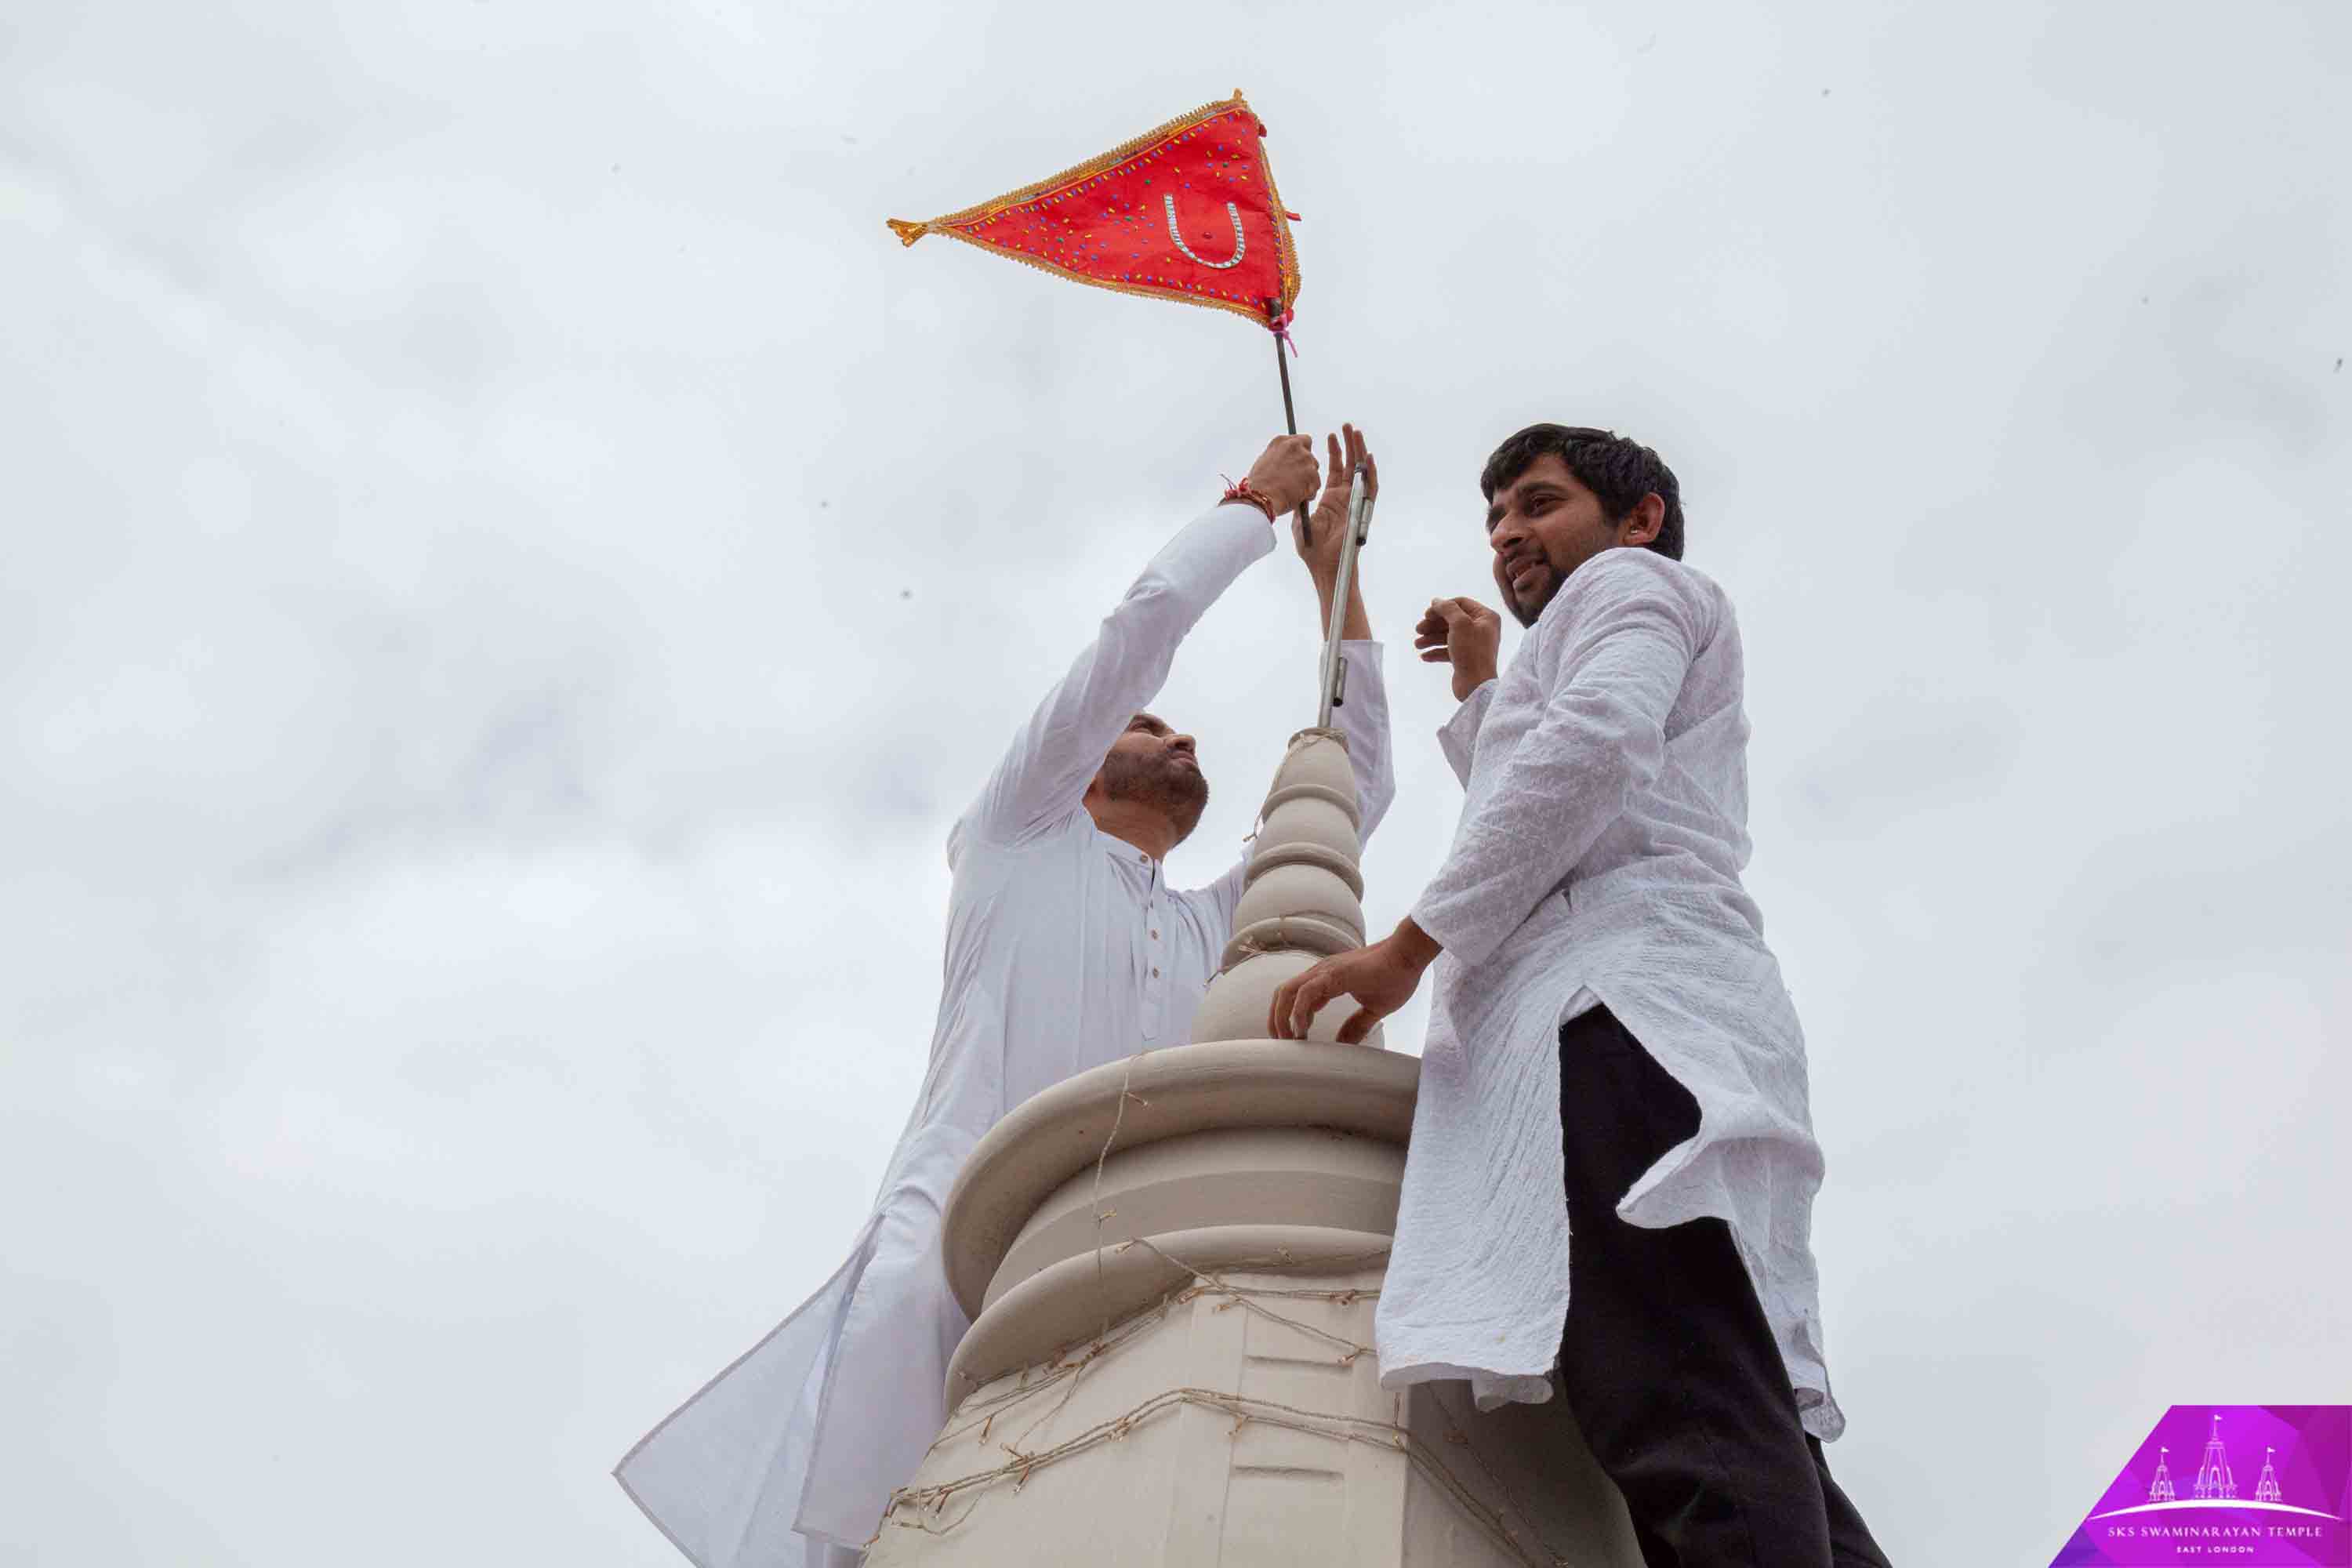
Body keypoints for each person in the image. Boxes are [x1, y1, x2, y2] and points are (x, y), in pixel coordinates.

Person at [618, 427, 1396, 1568]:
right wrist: (1249, 509)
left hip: (1148, 1257)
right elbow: (1133, 640)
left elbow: (1354, 789)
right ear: (1076, 764)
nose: (1177, 732)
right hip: (955, 1252)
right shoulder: (1017, 837)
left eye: (1180, 730)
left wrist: (1339, 585)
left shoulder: (1207, 929)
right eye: (1148, 725)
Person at [1269, 425, 1891, 1566]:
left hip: (1614, 1013)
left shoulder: (1631, 583)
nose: (1509, 533)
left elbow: (1592, 750)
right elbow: (1557, 777)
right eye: (1497, 517)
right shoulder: (1608, 623)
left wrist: (1406, 949)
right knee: (1746, 1423)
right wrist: (1480, 686)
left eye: (1539, 504)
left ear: (1638, 517)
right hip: (1643, 1010)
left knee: (1688, 1412)